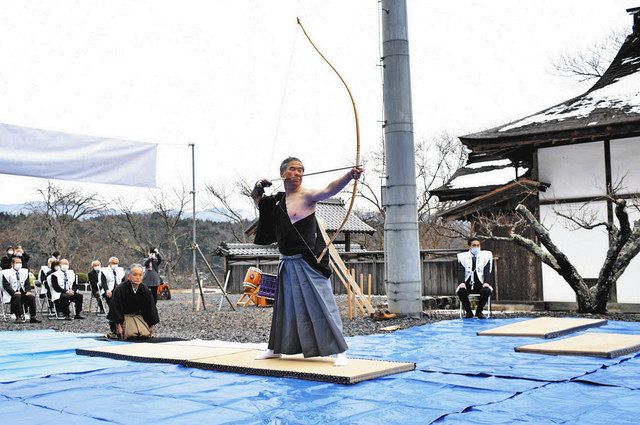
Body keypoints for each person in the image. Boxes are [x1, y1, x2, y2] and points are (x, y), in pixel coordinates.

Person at [250, 157, 363, 366]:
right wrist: (259, 185)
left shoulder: (307, 195)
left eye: (301, 170)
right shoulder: (276, 200)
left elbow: (329, 190)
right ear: (283, 173)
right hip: (286, 261)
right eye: (293, 169)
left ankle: (340, 351)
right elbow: (258, 200)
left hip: (308, 261)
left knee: (323, 305)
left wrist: (350, 176)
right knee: (284, 308)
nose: (297, 173)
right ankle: (275, 348)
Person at [108, 264, 159, 339]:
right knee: (130, 335)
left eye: (140, 275)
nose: (138, 277)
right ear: (128, 276)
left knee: (144, 334)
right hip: (124, 318)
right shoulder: (120, 289)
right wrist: (118, 326)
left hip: (139, 317)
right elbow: (115, 308)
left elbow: (150, 308)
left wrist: (151, 325)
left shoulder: (144, 289)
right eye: (134, 275)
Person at [456, 237, 493, 319]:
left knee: (487, 291)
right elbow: (460, 270)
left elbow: (487, 270)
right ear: (469, 246)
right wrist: (462, 282)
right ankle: (469, 312)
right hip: (467, 283)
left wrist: (486, 282)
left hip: (480, 283)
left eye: (478, 245)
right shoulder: (462, 257)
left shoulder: (486, 256)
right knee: (461, 291)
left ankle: (479, 312)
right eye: (474, 245)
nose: (476, 247)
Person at [1, 257, 41, 323]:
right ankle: (18, 316)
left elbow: (27, 283)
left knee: (31, 297)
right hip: (11, 293)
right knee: (17, 296)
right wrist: (14, 293)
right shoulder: (6, 273)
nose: (19, 264)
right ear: (12, 264)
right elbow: (6, 286)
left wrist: (28, 291)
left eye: (20, 263)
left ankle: (33, 317)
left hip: (22, 292)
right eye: (17, 263)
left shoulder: (24, 271)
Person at [100, 257, 125, 333]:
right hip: (108, 290)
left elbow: (123, 281)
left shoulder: (120, 270)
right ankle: (113, 327)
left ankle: (122, 325)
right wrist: (107, 290)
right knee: (113, 305)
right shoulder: (104, 271)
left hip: (119, 290)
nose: (115, 265)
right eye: (113, 263)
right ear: (110, 263)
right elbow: (103, 282)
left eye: (116, 263)